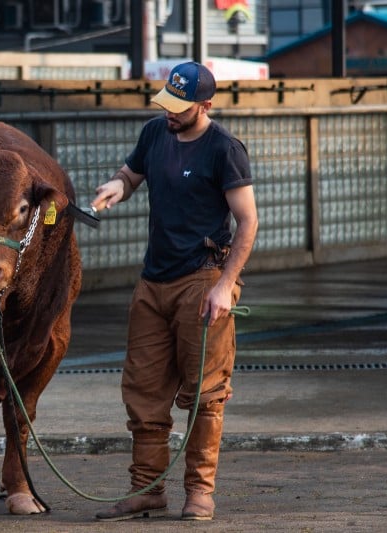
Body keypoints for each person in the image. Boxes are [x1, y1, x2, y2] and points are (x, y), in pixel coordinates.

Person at [92, 61, 258, 522]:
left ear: (206, 105)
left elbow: (247, 221)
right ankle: (146, 488)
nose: (169, 112)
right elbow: (131, 175)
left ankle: (199, 491)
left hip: (203, 279)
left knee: (206, 391)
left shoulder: (224, 149)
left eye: (180, 107)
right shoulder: (154, 132)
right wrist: (117, 187)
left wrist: (226, 285)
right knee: (143, 391)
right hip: (153, 281)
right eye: (166, 102)